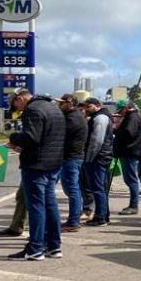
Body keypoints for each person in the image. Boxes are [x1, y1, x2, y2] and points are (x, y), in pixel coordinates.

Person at [5, 89, 65, 260]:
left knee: (36, 207)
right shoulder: (54, 108)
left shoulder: (32, 109)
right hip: (53, 163)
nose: (17, 108)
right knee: (50, 205)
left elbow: (32, 137)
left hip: (36, 165)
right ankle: (53, 246)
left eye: (15, 104)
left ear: (20, 98)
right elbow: (47, 138)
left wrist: (14, 137)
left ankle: (35, 248)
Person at [57, 94, 88, 232]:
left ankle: (74, 221)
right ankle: (74, 219)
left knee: (72, 189)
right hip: (72, 157)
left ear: (69, 103)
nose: (59, 105)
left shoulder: (73, 118)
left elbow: (58, 134)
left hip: (71, 157)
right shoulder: (74, 116)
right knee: (71, 189)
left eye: (62, 103)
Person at [83, 97, 114, 227]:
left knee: (98, 188)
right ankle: (103, 215)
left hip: (98, 158)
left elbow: (97, 141)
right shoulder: (101, 116)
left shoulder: (100, 118)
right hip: (101, 157)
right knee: (100, 188)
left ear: (97, 105)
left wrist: (89, 157)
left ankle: (100, 217)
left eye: (88, 106)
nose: (86, 109)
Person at [113, 100, 141, 214]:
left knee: (131, 180)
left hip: (130, 152)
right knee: (130, 180)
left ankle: (133, 205)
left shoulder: (133, 117)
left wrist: (116, 131)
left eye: (120, 110)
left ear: (126, 108)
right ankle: (133, 204)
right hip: (128, 152)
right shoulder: (132, 117)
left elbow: (128, 132)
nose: (120, 113)